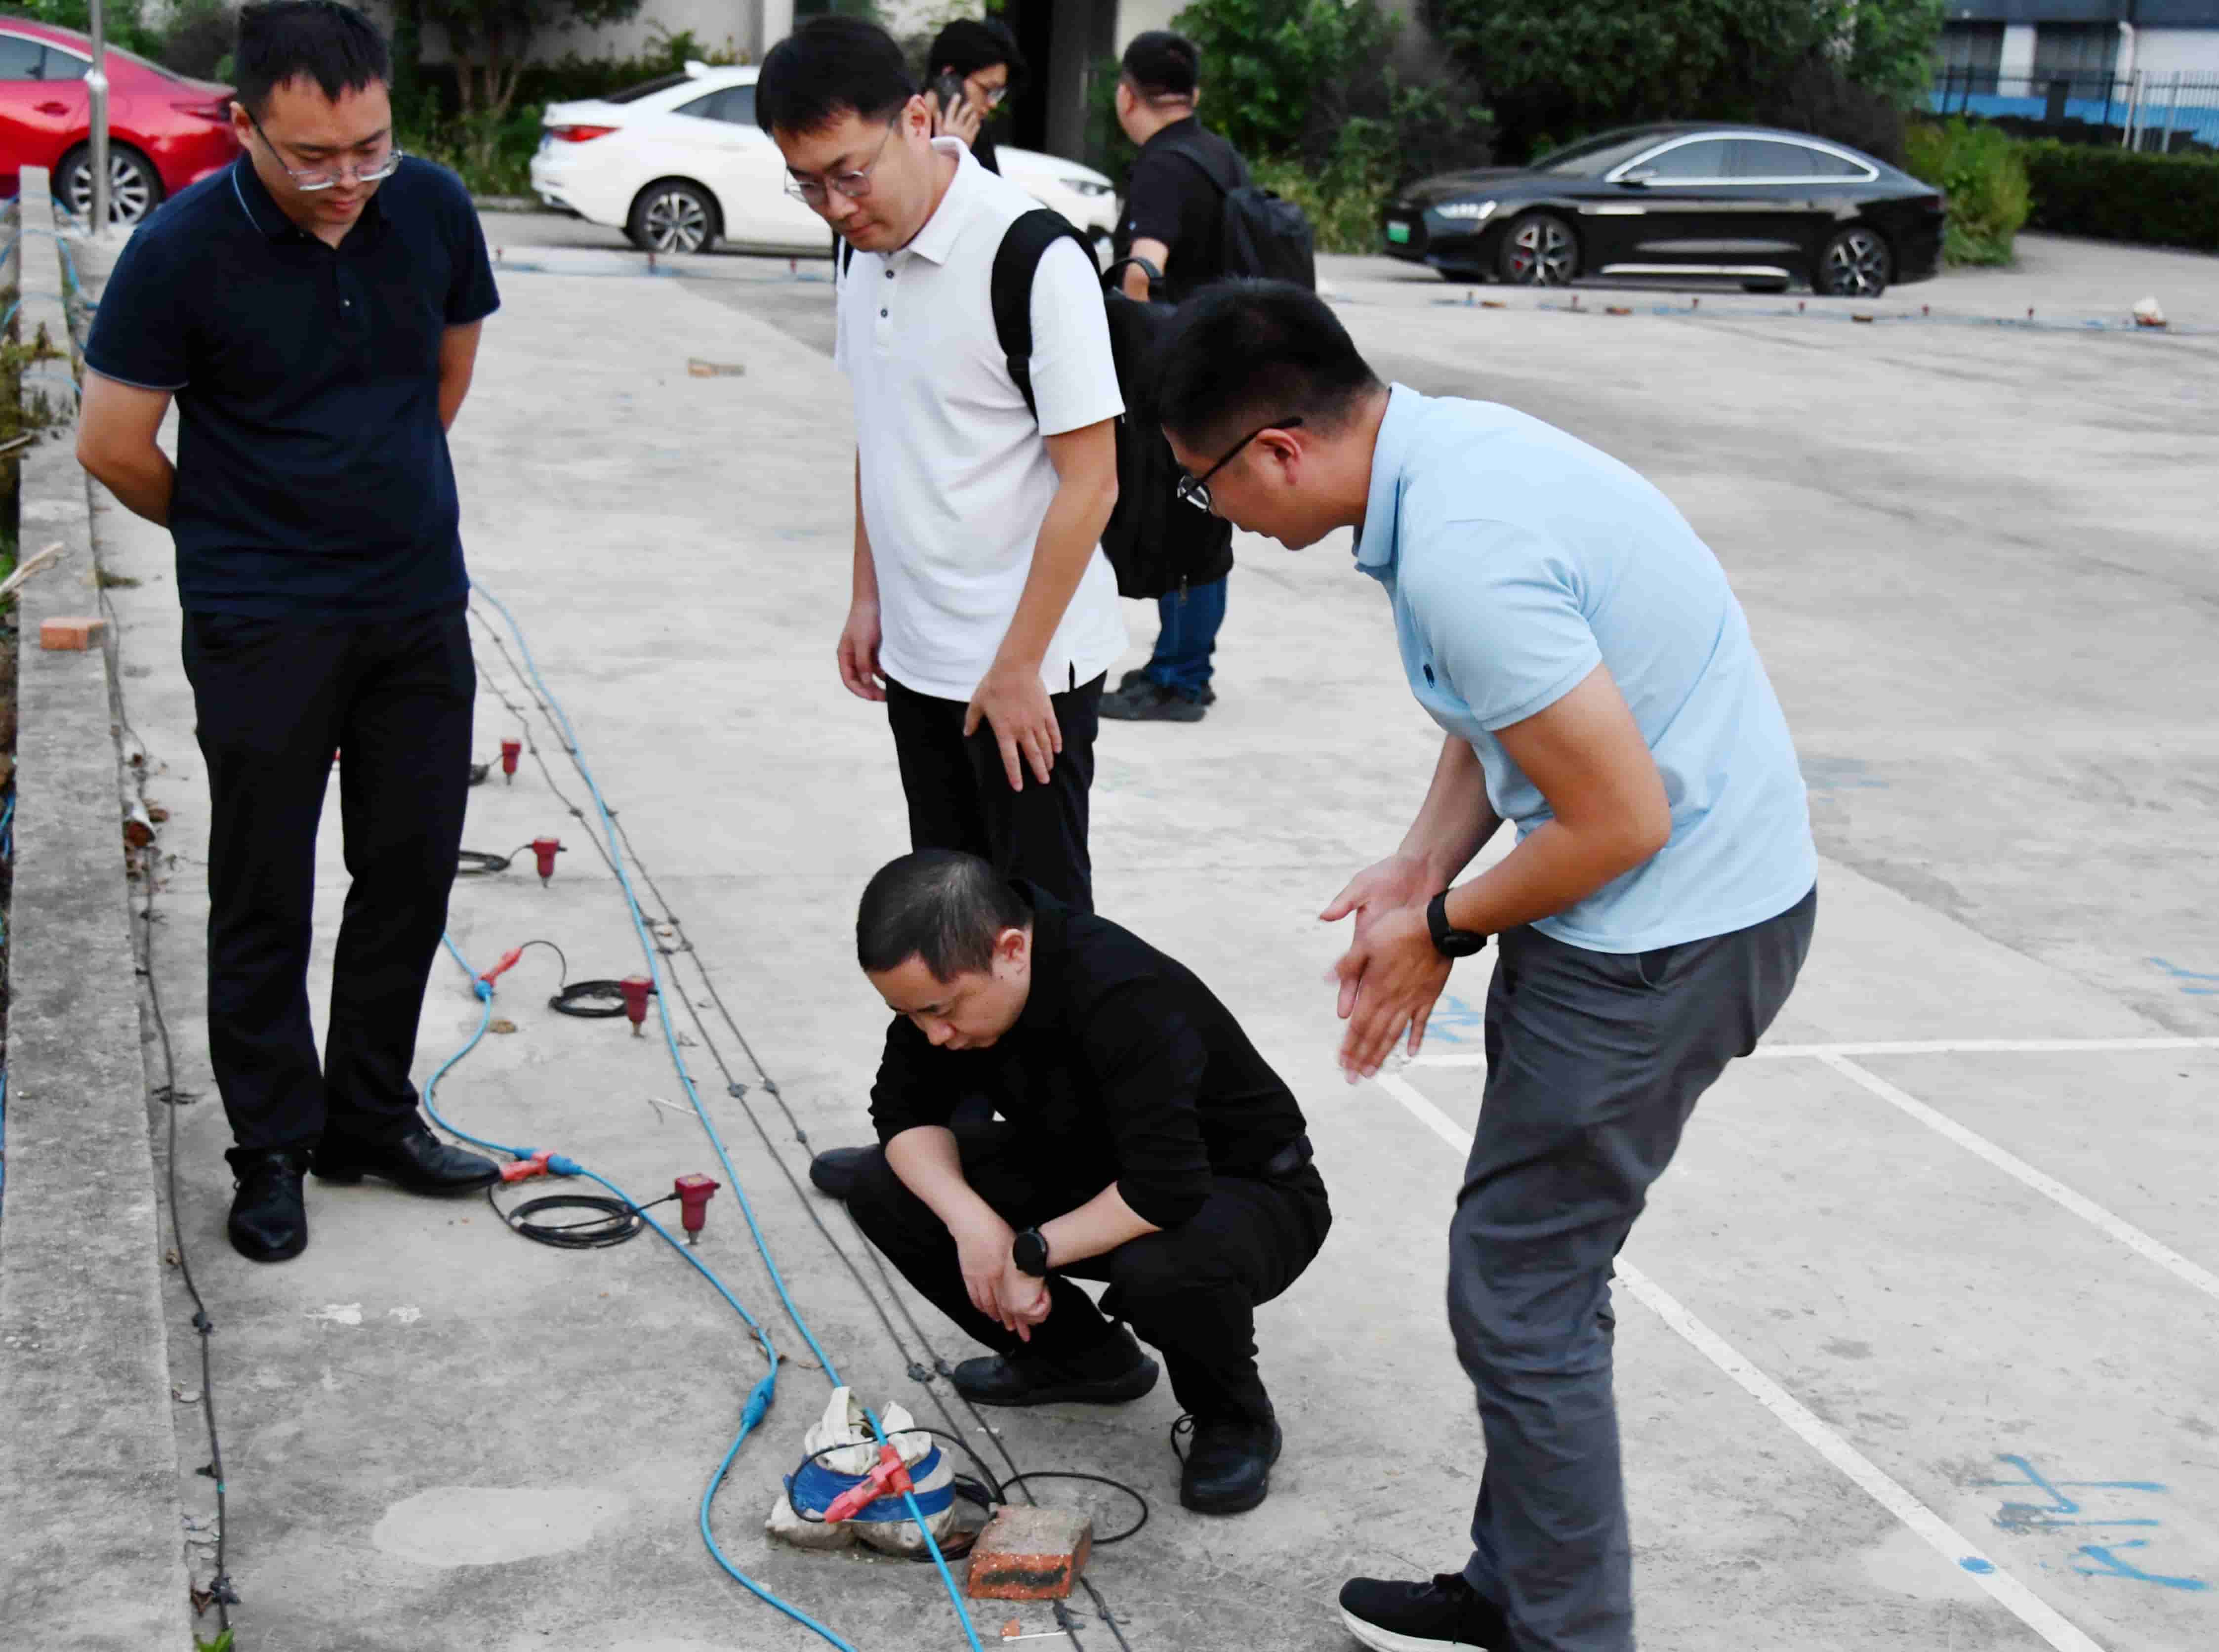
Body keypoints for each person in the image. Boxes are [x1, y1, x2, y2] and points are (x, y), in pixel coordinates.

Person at [1151, 282, 1819, 1652]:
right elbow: (1504, 706)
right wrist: (1419, 865)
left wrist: (1443, 928)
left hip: (1661, 939)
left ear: (1278, 449)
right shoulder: (1445, 457)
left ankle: (1565, 1631)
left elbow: (1619, 820)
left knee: (1517, 1293)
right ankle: (1520, 1586)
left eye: (1204, 487)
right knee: (1539, 1279)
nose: (1215, 516)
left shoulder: (1463, 544)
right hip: (1663, 912)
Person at [75, 0, 504, 1264]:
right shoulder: (181, 248)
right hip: (262, 619)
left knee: (409, 866)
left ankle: (368, 1115)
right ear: (243, 125)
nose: (347, 180)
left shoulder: (430, 207)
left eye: (369, 146)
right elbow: (112, 442)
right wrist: (237, 530)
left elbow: (445, 375)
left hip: (414, 602)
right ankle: (270, 1144)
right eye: (313, 157)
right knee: (264, 882)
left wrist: (374, 497)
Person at [760, 16, 1123, 1198]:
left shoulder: (1032, 257)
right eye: (806, 183)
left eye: (849, 172)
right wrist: (866, 593)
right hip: (922, 661)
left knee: (1036, 934)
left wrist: (1017, 666)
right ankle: (958, 1142)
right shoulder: (858, 254)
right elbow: (881, 433)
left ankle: (1072, 1167)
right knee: (941, 926)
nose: (834, 205)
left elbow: (1092, 480)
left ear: (919, 118)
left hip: (1027, 677)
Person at [840, 850, 1330, 1515]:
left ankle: (1234, 1418)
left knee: (1162, 1268)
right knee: (883, 1182)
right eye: (911, 1016)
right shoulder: (953, 986)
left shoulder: (1122, 990)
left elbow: (1166, 1186)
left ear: (1011, 950)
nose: (933, 1034)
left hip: (1245, 1188)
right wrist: (974, 1224)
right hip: (1096, 1163)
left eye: (941, 1010)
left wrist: (1030, 1252)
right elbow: (902, 1114)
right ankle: (1081, 1359)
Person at [1093, 30, 1245, 727]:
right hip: (1232, 358)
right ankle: (1187, 668)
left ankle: (1179, 680)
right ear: (1194, 93)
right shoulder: (1220, 155)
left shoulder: (1162, 166)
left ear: (1128, 96)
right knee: (1207, 521)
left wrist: (1138, 343)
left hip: (1181, 370)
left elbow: (1144, 269)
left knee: (1180, 522)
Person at [922, 16, 1019, 178]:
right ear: (950, 78)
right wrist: (950, 155)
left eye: (998, 93)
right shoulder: (903, 130)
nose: (993, 104)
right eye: (988, 90)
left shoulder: (977, 133)